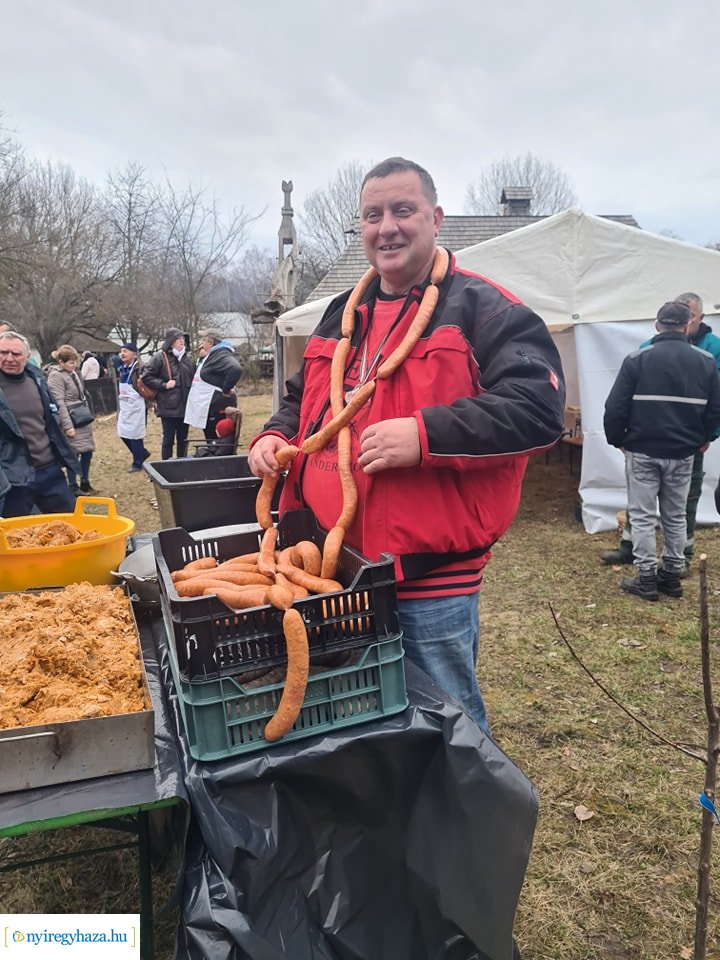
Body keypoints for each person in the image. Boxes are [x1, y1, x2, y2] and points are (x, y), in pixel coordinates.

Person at [248, 156, 565, 735]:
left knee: (445, 722)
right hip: (334, 566)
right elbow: (302, 398)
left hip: (429, 575)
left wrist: (425, 436)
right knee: (355, 715)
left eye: (403, 210)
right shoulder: (340, 311)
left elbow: (538, 410)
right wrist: (274, 434)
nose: (387, 226)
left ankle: (460, 819)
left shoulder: (483, 307)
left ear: (436, 218)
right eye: (373, 215)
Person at [604, 300, 720, 601]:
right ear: (686, 326)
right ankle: (671, 575)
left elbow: (615, 407)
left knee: (642, 516)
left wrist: (618, 439)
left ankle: (646, 579)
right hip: (684, 453)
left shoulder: (637, 359)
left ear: (657, 325)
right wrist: (706, 438)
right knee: (675, 515)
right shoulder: (706, 361)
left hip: (643, 451)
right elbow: (715, 408)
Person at [0, 330, 79, 517]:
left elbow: (50, 419)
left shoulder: (36, 380)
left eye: (16, 354)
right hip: (13, 475)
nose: (9, 358)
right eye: (3, 352)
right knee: (17, 536)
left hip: (49, 468)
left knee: (70, 523)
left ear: (27, 357)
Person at [46, 344, 96, 494]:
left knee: (88, 451)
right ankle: (73, 485)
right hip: (71, 418)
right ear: (61, 362)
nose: (74, 365)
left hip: (81, 417)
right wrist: (67, 426)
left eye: (75, 362)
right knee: (73, 453)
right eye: (71, 362)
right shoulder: (56, 376)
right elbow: (59, 401)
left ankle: (85, 481)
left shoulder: (73, 373)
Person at [140, 327, 195, 459]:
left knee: (184, 439)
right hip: (168, 407)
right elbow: (146, 377)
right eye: (178, 339)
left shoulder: (189, 359)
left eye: (183, 339)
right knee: (168, 440)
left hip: (185, 407)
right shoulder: (160, 358)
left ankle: (182, 465)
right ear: (171, 342)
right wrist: (164, 385)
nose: (182, 342)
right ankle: (166, 466)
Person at [184, 331, 242, 442]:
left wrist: (226, 388)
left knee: (217, 440)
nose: (201, 343)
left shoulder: (221, 354)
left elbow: (236, 369)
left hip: (217, 407)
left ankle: (217, 458)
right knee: (211, 440)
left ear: (210, 342)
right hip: (210, 406)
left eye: (203, 340)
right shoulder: (213, 355)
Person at [116, 343, 151, 473]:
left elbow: (147, 384)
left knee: (136, 434)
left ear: (133, 353)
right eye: (121, 352)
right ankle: (142, 453)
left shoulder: (140, 368)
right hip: (125, 406)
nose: (122, 354)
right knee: (123, 432)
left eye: (125, 351)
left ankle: (137, 462)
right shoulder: (122, 369)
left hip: (137, 405)